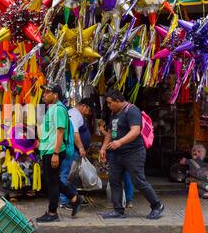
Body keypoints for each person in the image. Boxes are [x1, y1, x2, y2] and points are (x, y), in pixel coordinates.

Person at [98, 89, 164, 219]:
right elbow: (110, 132)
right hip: (116, 154)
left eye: (110, 103)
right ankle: (118, 210)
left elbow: (135, 131)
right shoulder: (115, 113)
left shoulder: (132, 110)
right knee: (114, 180)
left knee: (138, 180)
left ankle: (157, 205)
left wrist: (120, 142)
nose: (108, 106)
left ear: (118, 101)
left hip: (133, 153)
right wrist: (103, 148)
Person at [36, 84, 82, 223]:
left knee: (52, 183)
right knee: (52, 180)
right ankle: (74, 197)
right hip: (48, 149)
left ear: (55, 94)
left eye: (47, 92)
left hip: (54, 151)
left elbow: (60, 132)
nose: (44, 95)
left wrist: (56, 153)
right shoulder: (53, 108)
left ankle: (52, 212)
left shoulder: (58, 109)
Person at [59, 98, 95, 209]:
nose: (88, 114)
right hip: (72, 149)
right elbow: (74, 133)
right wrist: (81, 147)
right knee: (67, 174)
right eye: (89, 111)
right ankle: (65, 200)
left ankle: (73, 197)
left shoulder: (75, 114)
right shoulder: (75, 114)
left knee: (73, 175)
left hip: (73, 149)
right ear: (84, 106)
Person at [98, 119, 134, 208]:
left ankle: (121, 200)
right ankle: (124, 200)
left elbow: (112, 135)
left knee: (119, 175)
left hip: (121, 150)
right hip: (120, 150)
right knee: (123, 175)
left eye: (111, 103)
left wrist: (102, 130)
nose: (110, 105)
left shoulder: (122, 118)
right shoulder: (121, 118)